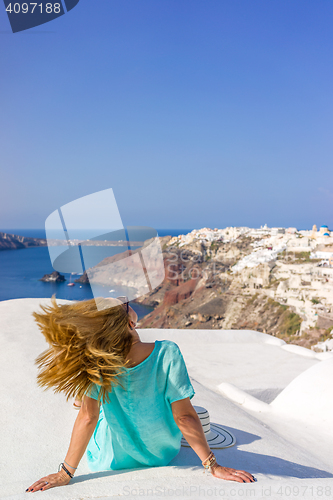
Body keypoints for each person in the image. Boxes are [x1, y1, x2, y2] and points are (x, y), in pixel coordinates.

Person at [26, 296, 255, 493]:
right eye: (125, 305)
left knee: (89, 405)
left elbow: (88, 418)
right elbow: (184, 417)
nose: (128, 302)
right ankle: (84, 396)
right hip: (160, 455)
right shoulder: (167, 352)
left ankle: (82, 396)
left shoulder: (98, 362)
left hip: (110, 460)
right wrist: (213, 465)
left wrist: (65, 473)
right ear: (129, 322)